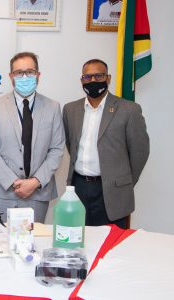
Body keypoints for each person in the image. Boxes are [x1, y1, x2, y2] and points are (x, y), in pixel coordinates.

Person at [63, 59, 149, 229]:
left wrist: (123, 181)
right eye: (87, 77)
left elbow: (140, 152)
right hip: (78, 186)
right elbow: (70, 143)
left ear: (108, 78)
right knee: (77, 239)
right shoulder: (70, 109)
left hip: (111, 190)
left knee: (111, 245)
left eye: (98, 75)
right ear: (82, 80)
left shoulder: (129, 110)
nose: (93, 81)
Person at [0, 52, 65, 223]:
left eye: (30, 71)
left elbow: (56, 149)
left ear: (38, 75)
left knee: (32, 244)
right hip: (2, 193)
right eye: (19, 72)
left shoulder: (53, 107)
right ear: (11, 76)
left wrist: (35, 182)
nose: (24, 76)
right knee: (2, 244)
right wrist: (14, 182)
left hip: (38, 192)